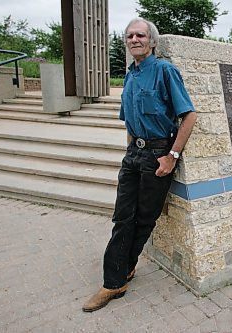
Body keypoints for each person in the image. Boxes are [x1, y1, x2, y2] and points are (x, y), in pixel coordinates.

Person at [82, 17, 197, 312]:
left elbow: (189, 116)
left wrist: (172, 156)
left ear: (152, 41)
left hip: (159, 153)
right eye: (130, 35)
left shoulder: (164, 71)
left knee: (145, 219)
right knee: (123, 217)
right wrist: (130, 150)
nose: (134, 39)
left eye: (140, 35)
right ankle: (114, 281)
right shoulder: (130, 76)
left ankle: (122, 270)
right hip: (134, 155)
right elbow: (129, 120)